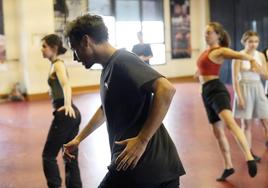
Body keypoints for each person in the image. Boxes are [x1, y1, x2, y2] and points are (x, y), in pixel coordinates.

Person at [63, 14, 185, 188]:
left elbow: (166, 89)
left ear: (86, 41)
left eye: (74, 49)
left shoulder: (122, 60)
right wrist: (79, 139)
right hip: (134, 165)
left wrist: (142, 140)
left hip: (148, 167)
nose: (75, 57)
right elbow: (105, 109)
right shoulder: (108, 68)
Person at [196, 22, 258, 182]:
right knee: (218, 133)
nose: (206, 35)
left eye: (209, 32)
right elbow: (204, 68)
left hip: (217, 90)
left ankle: (249, 157)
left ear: (218, 35)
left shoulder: (220, 51)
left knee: (230, 124)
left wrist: (251, 59)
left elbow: (240, 55)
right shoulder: (206, 51)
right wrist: (199, 73)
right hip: (206, 92)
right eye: (205, 32)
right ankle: (228, 166)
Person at [41, 34, 82, 188]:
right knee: (70, 157)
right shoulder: (54, 64)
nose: (42, 49)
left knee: (48, 156)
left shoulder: (57, 64)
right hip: (72, 116)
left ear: (54, 48)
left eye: (44, 46)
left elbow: (66, 84)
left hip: (66, 113)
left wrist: (67, 105)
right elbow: (59, 85)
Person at [232, 31, 268, 156]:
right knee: (246, 123)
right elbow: (235, 79)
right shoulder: (238, 55)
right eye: (250, 41)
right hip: (244, 88)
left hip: (258, 88)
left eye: (256, 41)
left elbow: (266, 76)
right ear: (244, 42)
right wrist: (240, 98)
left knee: (266, 118)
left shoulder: (261, 56)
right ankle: (249, 153)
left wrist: (259, 71)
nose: (253, 44)